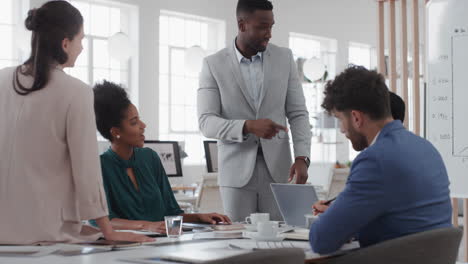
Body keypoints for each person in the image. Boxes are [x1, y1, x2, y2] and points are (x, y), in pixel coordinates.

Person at [0, 1, 151, 244]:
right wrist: (108, 230)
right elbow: (86, 169)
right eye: (81, 39)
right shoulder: (75, 91)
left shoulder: (2, 78)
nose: (82, 48)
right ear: (65, 43)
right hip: (46, 229)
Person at [309, 66, 452, 254]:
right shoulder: (426, 148)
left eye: (339, 120)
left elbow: (321, 240)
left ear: (356, 118)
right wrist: (342, 217)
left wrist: (331, 221)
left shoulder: (375, 160)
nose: (342, 130)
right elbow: (404, 218)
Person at [197, 0, 312, 222]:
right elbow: (206, 122)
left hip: (279, 171)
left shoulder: (284, 58)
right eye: (262, 27)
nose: (269, 34)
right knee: (239, 244)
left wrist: (302, 157)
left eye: (271, 26)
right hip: (235, 174)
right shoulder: (213, 64)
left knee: (280, 242)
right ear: (242, 25)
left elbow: (298, 113)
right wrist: (247, 126)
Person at [93, 81, 231, 232]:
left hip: (160, 243)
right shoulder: (100, 166)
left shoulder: (150, 157)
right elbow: (102, 221)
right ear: (115, 132)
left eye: (139, 118)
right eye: (134, 122)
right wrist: (147, 226)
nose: (143, 125)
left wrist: (199, 217)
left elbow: (171, 213)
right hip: (126, 247)